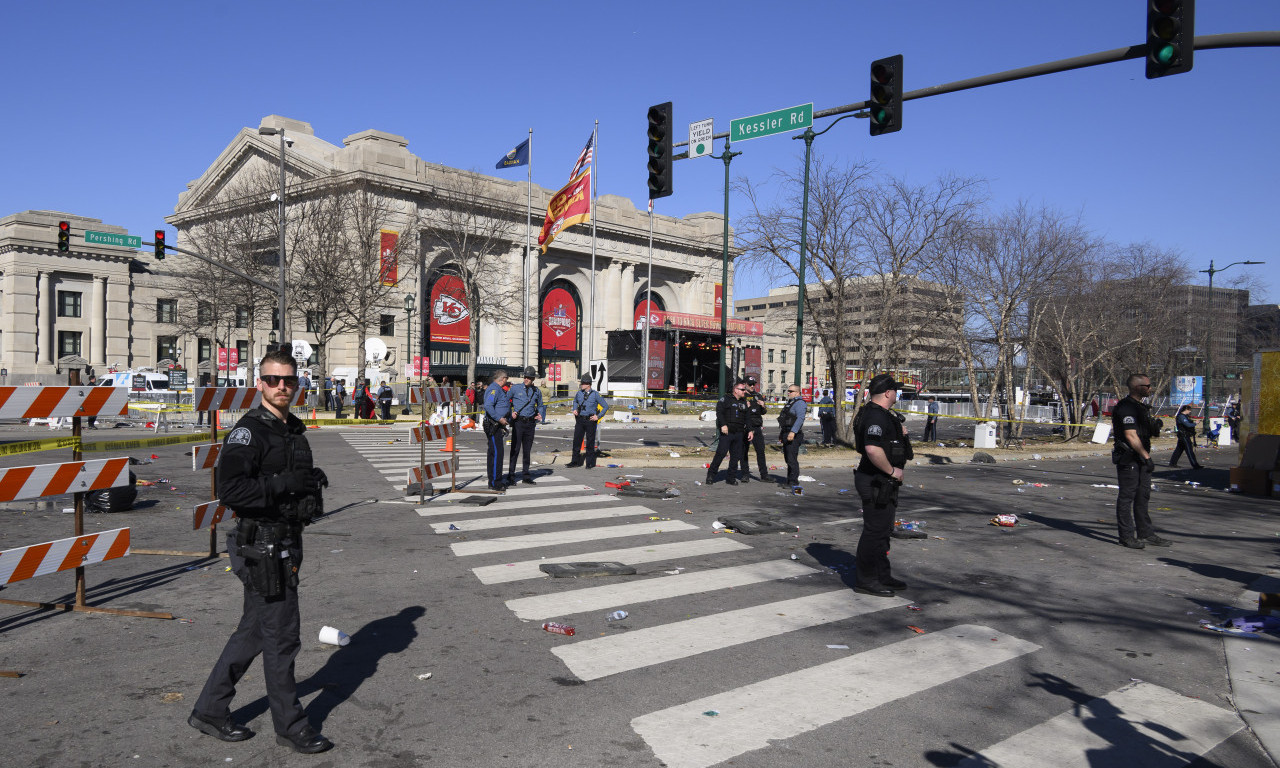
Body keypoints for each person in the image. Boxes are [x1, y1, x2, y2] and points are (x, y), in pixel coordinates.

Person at [190, 349, 333, 754]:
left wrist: (308, 481)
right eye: (273, 380)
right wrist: (282, 484)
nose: (282, 387)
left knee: (254, 631)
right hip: (262, 547)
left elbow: (289, 477)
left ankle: (210, 709)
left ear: (298, 383)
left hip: (285, 541)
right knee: (282, 637)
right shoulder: (249, 432)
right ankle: (292, 726)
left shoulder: (292, 430)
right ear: (260, 383)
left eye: (289, 380)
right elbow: (231, 490)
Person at [851, 373, 913, 597]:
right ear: (888, 393)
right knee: (874, 532)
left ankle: (881, 575)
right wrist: (892, 471)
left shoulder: (881, 414)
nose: (897, 393)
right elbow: (872, 449)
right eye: (895, 390)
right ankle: (866, 580)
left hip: (882, 482)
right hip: (875, 479)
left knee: (883, 531)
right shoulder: (876, 416)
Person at [1111, 373, 1172, 550]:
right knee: (1127, 497)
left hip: (1141, 457)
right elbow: (1131, 435)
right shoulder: (1126, 408)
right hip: (1129, 457)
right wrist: (1146, 457)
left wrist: (1154, 426)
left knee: (1142, 496)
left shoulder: (1141, 407)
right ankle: (1127, 536)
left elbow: (1144, 431)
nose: (1150, 389)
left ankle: (1145, 532)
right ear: (1138, 388)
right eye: (1148, 386)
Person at [706, 379, 752, 485]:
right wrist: (723, 425)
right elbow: (719, 412)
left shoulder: (744, 402)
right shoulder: (726, 399)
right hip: (727, 432)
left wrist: (750, 430)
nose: (744, 391)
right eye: (742, 390)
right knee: (721, 454)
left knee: (735, 457)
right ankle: (711, 475)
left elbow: (747, 418)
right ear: (736, 390)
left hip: (739, 433)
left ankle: (731, 478)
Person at [507, 366, 544, 485]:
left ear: (533, 378)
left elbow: (541, 405)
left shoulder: (537, 391)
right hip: (518, 422)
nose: (526, 379)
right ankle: (511, 475)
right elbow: (505, 401)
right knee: (515, 449)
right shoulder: (515, 388)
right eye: (525, 377)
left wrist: (541, 415)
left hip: (530, 423)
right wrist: (510, 413)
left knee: (527, 451)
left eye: (529, 377)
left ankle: (526, 475)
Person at [567, 375, 608, 468]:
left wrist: (598, 416)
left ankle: (589, 463)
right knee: (576, 441)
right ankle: (575, 462)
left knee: (590, 442)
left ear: (588, 384)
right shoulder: (579, 393)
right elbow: (575, 401)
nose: (581, 385)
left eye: (583, 383)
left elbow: (605, 406)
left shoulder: (595, 394)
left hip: (590, 421)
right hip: (580, 420)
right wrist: (574, 409)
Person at [482, 370, 511, 490]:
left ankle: (493, 480)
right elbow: (488, 406)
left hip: (497, 425)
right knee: (497, 454)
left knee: (494, 453)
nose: (507, 381)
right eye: (506, 379)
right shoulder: (494, 389)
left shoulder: (497, 389)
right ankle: (495, 482)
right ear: (503, 378)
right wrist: (499, 418)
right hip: (494, 425)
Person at [778, 384, 808, 493]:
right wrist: (782, 434)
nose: (788, 392)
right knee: (788, 458)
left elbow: (800, 419)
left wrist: (793, 432)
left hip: (793, 434)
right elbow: (785, 419)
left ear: (797, 392)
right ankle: (789, 479)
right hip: (786, 432)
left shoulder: (799, 403)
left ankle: (793, 481)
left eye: (791, 391)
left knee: (791, 459)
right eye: (788, 391)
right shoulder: (791, 402)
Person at [743, 376, 770, 481]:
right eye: (750, 384)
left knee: (760, 451)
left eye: (754, 384)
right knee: (743, 451)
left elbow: (763, 412)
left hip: (757, 426)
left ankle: (764, 475)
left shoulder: (758, 396)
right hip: (746, 428)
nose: (752, 386)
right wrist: (746, 407)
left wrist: (763, 406)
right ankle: (745, 474)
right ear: (745, 384)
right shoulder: (742, 396)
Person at [1168, 403, 1202, 470]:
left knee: (1179, 450)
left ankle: (1172, 463)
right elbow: (1187, 425)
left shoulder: (1184, 416)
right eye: (1189, 410)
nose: (1190, 412)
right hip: (1184, 435)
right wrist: (1195, 423)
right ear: (1186, 410)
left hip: (1183, 435)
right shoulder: (1181, 416)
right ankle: (1195, 465)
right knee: (1189, 450)